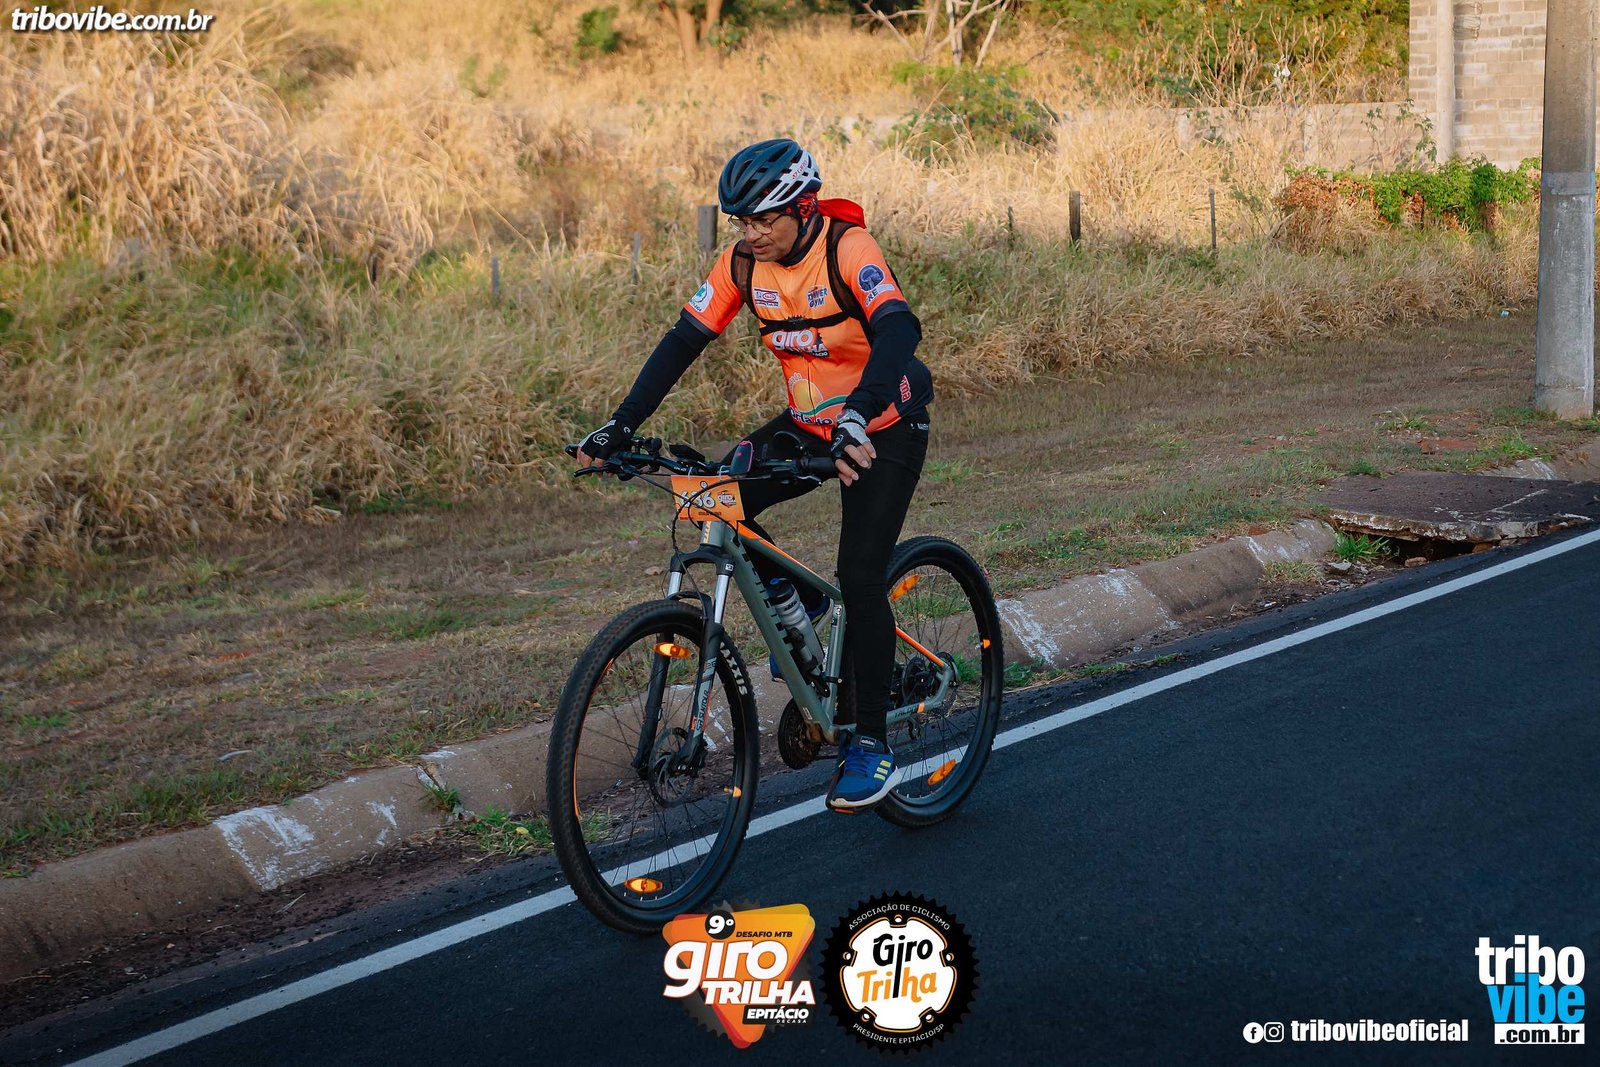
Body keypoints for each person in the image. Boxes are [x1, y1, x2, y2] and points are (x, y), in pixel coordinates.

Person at [576, 138, 933, 812]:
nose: (752, 233)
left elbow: (898, 331)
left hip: (882, 426)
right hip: (808, 423)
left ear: (803, 208)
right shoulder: (743, 263)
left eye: (764, 219)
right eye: (741, 221)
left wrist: (859, 415)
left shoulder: (847, 247)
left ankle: (872, 745)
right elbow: (684, 339)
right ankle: (805, 609)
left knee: (861, 574)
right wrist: (619, 426)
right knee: (716, 497)